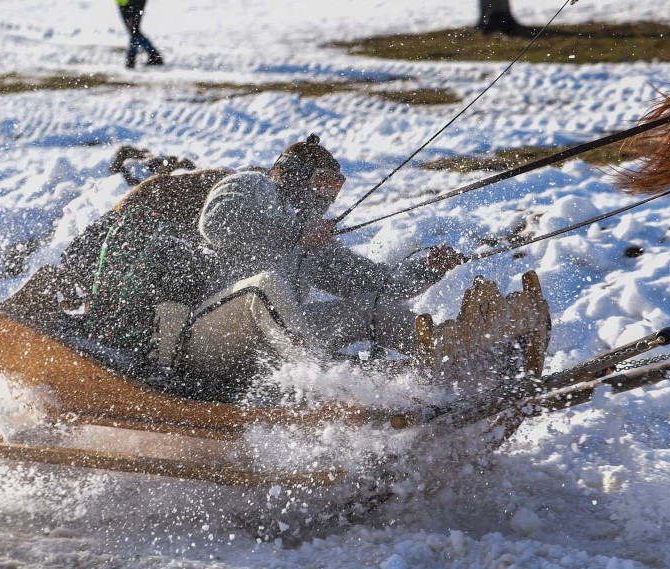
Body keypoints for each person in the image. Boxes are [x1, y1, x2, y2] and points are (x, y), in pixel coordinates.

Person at [171, 134, 466, 395]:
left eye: (335, 187)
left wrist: (429, 269)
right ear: (293, 175)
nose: (329, 195)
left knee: (369, 306)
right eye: (323, 183)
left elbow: (379, 283)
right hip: (211, 337)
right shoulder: (252, 185)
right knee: (267, 284)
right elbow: (217, 223)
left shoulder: (312, 240)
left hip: (278, 348)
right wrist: (294, 233)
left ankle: (451, 360)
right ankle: (329, 388)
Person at [115, 0, 163, 69]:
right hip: (126, 2)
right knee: (134, 31)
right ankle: (153, 55)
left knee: (134, 31)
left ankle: (132, 59)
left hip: (130, 2)